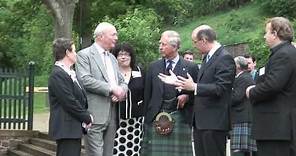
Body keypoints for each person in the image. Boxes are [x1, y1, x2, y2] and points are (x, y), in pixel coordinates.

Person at [159, 25, 236, 156]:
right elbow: (200, 85)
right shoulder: (208, 57)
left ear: (204, 40)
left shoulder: (224, 57)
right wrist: (178, 82)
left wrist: (194, 87)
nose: (194, 46)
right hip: (201, 122)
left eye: (195, 41)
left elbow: (221, 88)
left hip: (214, 122)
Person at [141, 30, 199, 156]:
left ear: (174, 46)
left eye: (163, 44)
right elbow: (147, 94)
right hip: (155, 117)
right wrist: (146, 119)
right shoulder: (153, 67)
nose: (160, 47)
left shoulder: (191, 67)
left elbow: (197, 94)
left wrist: (187, 97)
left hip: (180, 117)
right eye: (160, 44)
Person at [75, 22, 128, 156]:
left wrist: (121, 91)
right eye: (113, 34)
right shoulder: (84, 55)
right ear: (101, 36)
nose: (116, 38)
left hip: (112, 115)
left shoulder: (112, 58)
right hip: (94, 116)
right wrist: (111, 89)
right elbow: (85, 80)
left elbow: (122, 82)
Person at [246, 17, 296, 156]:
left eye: (266, 32)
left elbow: (273, 86)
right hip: (277, 128)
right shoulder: (283, 53)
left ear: (275, 34)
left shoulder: (284, 54)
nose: (264, 36)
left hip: (277, 127)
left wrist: (251, 91)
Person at [48, 38, 93, 156]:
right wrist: (86, 117)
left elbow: (79, 97)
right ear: (67, 53)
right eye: (74, 51)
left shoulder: (70, 73)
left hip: (73, 128)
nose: (76, 54)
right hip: (66, 128)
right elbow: (69, 101)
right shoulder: (57, 74)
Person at [111, 43, 145, 156]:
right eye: (120, 55)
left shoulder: (139, 71)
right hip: (116, 119)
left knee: (134, 150)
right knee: (115, 150)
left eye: (126, 54)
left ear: (131, 57)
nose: (123, 57)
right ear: (115, 57)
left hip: (136, 120)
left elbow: (146, 92)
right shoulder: (111, 73)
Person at [231, 56, 257, 156]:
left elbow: (236, 98)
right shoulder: (244, 77)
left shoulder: (243, 78)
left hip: (242, 118)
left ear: (237, 66)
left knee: (239, 152)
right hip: (242, 117)